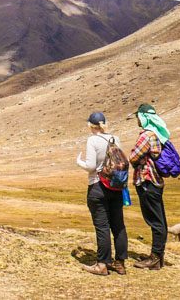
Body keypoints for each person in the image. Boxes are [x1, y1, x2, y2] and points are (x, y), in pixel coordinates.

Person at [76, 111, 127, 276]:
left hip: (98, 186)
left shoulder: (93, 140)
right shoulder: (115, 138)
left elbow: (91, 166)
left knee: (102, 226)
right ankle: (120, 263)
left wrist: (79, 162)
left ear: (90, 125)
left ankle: (102, 264)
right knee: (118, 225)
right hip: (116, 187)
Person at [128, 103, 169, 270]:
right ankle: (158, 257)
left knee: (154, 219)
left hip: (147, 180)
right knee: (159, 219)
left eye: (138, 117)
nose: (137, 120)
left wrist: (135, 158)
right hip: (156, 180)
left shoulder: (146, 136)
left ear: (143, 117)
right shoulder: (158, 134)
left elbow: (133, 157)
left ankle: (154, 257)